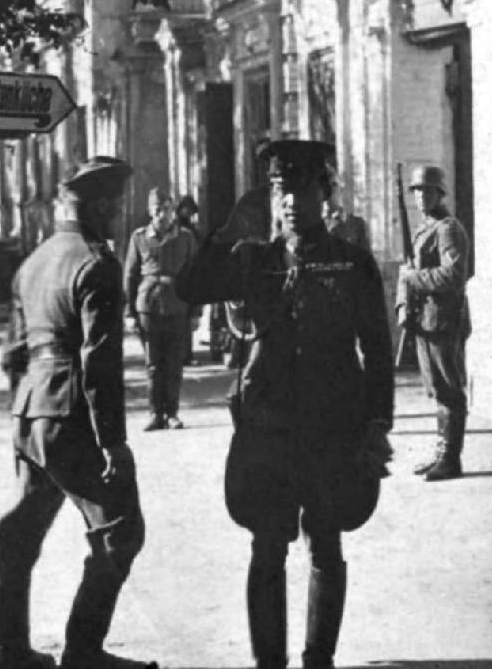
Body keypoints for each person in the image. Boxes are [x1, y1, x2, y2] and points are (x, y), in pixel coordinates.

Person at [176, 139, 394, 669]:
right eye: (280, 190)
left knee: (326, 543)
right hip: (268, 429)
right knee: (267, 546)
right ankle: (268, 663)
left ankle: (319, 659)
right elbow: (190, 288)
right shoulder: (256, 260)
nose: (291, 201)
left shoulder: (353, 263)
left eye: (303, 190)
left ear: (325, 193)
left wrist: (377, 424)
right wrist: (228, 231)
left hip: (332, 426)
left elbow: (378, 350)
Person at [0, 156, 154, 669]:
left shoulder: (33, 262)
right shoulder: (97, 264)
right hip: (71, 413)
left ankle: (12, 649)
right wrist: (113, 443)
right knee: (121, 530)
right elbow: (99, 363)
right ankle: (83, 651)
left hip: (30, 412)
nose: (119, 216)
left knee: (20, 531)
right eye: (117, 206)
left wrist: (25, 414)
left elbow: (12, 354)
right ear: (101, 205)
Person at [395, 165, 471, 482]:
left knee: (450, 389)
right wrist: (403, 305)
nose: (421, 197)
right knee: (438, 389)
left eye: (427, 191)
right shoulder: (425, 228)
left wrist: (414, 278)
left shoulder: (447, 229)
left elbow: (453, 275)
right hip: (426, 320)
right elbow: (406, 269)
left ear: (439, 194)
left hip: (444, 320)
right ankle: (441, 454)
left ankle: (451, 459)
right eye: (417, 191)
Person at [124, 187, 200, 431]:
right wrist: (129, 313)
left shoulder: (185, 238)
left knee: (174, 363)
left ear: (173, 211)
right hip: (148, 306)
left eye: (167, 209)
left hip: (177, 305)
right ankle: (155, 413)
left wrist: (196, 312)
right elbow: (130, 276)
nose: (162, 215)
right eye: (157, 210)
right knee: (153, 364)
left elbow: (195, 275)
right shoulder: (139, 238)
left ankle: (172, 413)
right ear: (150, 211)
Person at [175, 195, 201, 365]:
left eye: (190, 211)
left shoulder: (192, 231)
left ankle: (187, 354)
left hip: (189, 276)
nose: (188, 213)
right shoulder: (176, 228)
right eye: (186, 209)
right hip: (179, 275)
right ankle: (181, 354)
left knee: (188, 318)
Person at [322, 171, 370, 252]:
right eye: (326, 186)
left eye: (334, 185)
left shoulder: (358, 225)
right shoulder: (314, 227)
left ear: (341, 190)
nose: (331, 191)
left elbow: (366, 257)